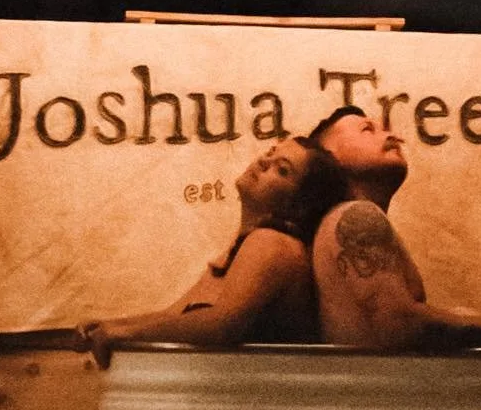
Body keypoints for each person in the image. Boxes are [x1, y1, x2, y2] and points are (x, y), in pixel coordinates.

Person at [74, 136, 346, 366]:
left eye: (282, 169)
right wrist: (112, 325)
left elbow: (222, 325)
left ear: (299, 205)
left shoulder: (273, 243)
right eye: (270, 153)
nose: (264, 162)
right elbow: (174, 316)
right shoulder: (246, 245)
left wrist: (122, 333)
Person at [308, 105, 481, 357]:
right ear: (330, 156)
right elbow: (398, 323)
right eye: (367, 129)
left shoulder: (342, 217)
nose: (392, 136)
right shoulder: (355, 216)